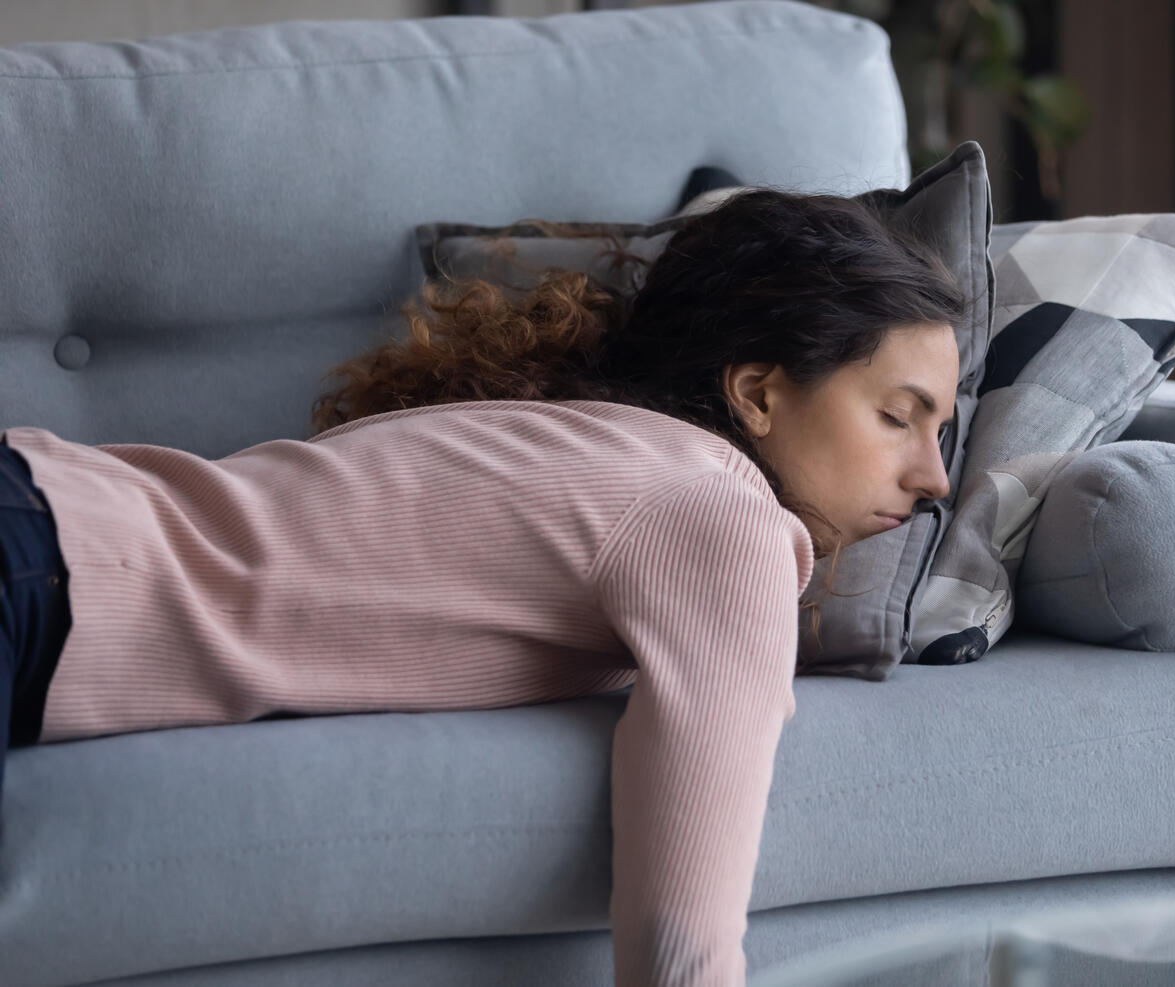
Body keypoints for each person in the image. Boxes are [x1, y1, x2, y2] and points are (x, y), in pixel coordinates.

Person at [0, 186, 964, 986]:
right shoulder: (722, 520)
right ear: (757, 391)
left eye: (942, 431)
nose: (937, 480)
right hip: (37, 566)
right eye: (897, 416)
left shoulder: (587, 438)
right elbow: (684, 938)